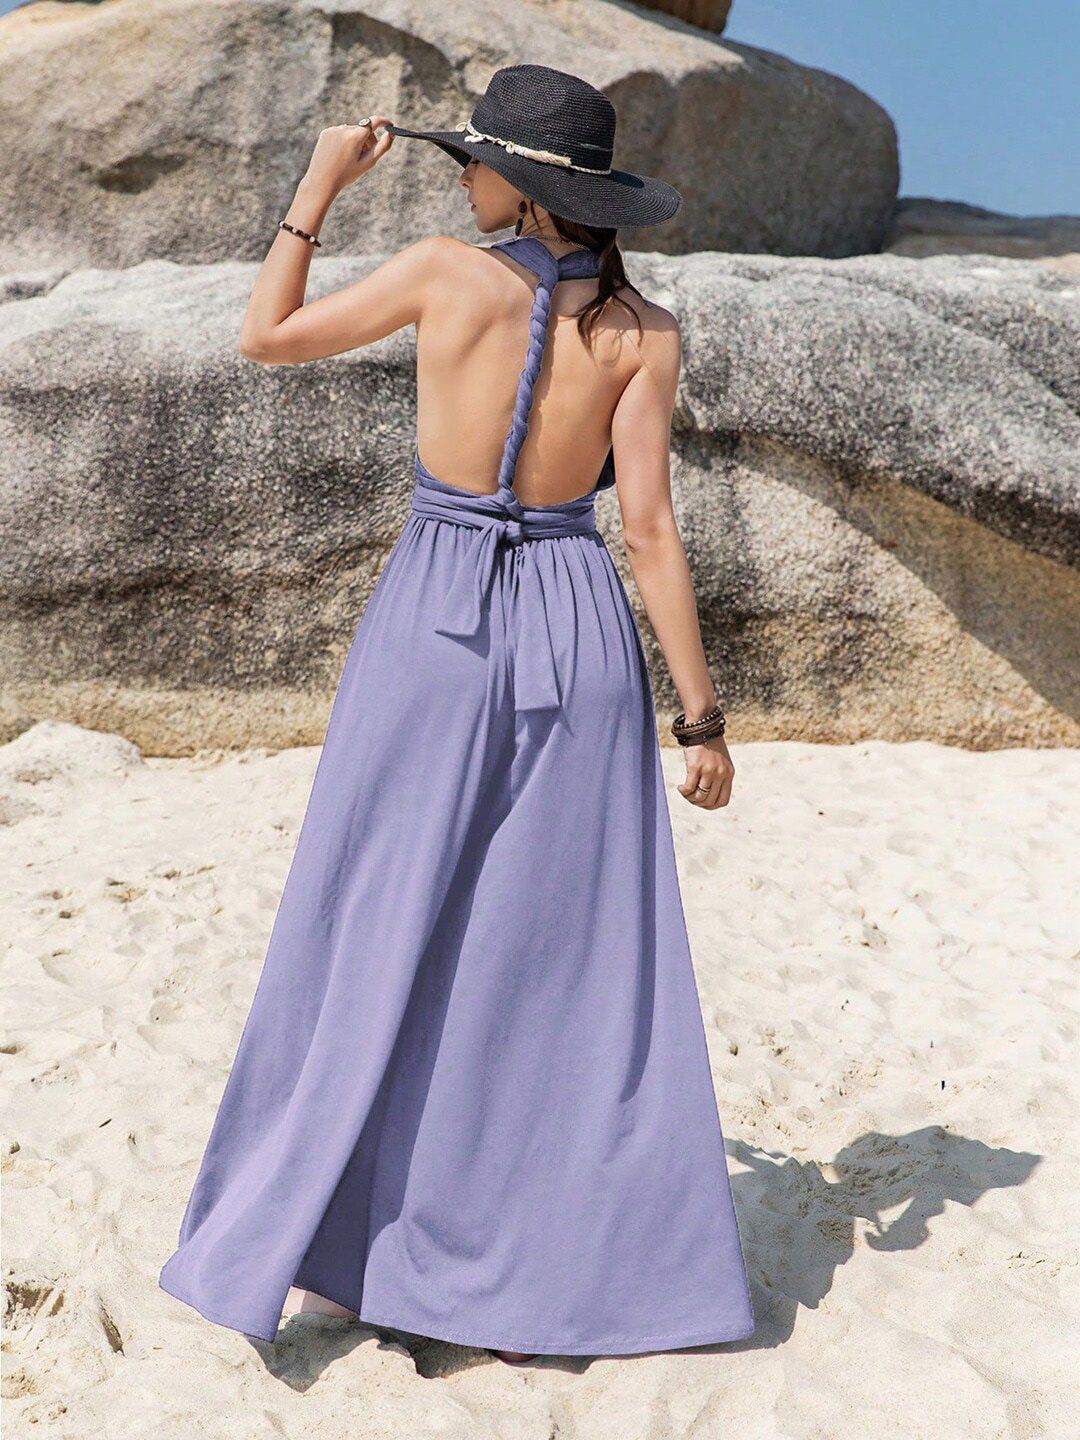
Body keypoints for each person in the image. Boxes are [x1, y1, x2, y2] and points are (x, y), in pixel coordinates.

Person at [158, 64, 754, 1364]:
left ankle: (328, 1239)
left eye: (472, 161)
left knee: (365, 923)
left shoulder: (442, 274)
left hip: (437, 618)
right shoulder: (646, 333)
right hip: (577, 628)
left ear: (524, 190)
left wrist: (318, 186)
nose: (462, 179)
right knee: (550, 962)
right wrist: (701, 720)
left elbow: (266, 335)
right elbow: (649, 530)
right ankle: (526, 1281)